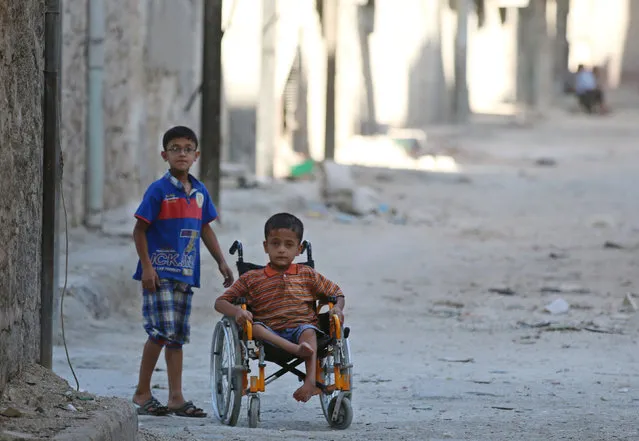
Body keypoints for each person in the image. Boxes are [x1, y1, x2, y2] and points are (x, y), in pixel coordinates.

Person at [131, 125, 234, 417]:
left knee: (176, 337)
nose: (181, 154)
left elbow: (204, 228)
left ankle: (176, 397)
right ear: (164, 154)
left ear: (196, 155)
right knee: (159, 333)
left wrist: (221, 262)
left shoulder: (199, 192)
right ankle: (142, 393)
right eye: (175, 148)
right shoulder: (158, 190)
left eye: (188, 149)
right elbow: (139, 231)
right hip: (159, 274)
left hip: (185, 274)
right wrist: (147, 268)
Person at [214, 213, 345, 403]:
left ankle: (310, 382)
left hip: (302, 329)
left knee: (309, 330)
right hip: (268, 332)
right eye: (275, 244)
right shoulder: (251, 278)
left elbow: (336, 293)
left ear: (299, 249)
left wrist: (338, 308)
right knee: (255, 327)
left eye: (288, 245)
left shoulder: (308, 275)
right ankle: (296, 349)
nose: (282, 250)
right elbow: (220, 302)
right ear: (266, 246)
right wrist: (238, 312)